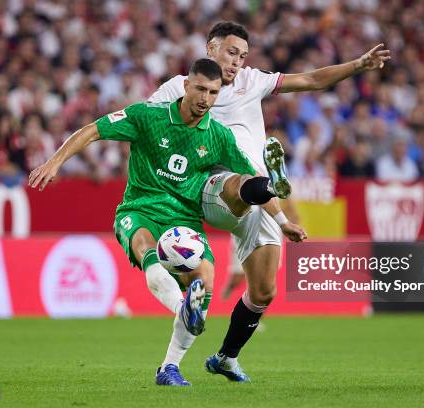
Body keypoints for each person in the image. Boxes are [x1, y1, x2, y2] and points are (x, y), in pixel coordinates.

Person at [28, 59, 296, 386]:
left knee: (206, 279)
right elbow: (93, 130)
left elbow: (248, 177)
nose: (204, 98)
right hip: (139, 209)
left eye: (212, 92)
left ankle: (169, 367)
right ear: (185, 86)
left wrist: (281, 220)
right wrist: (55, 162)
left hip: (185, 222)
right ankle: (182, 307)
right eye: (199, 89)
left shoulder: (217, 135)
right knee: (146, 249)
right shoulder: (148, 116)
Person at [148, 21, 391, 382]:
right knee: (240, 181)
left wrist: (357, 65)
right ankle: (267, 184)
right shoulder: (180, 88)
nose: (236, 62)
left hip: (259, 202)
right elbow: (147, 123)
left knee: (264, 291)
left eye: (243, 56)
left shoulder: (252, 81)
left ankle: (225, 357)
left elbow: (309, 80)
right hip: (214, 187)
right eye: (231, 52)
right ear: (210, 48)